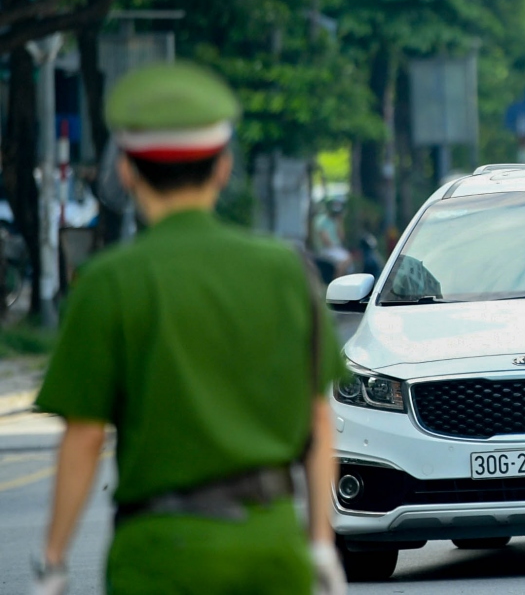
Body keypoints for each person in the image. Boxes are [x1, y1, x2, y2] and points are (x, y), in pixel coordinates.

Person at [30, 62, 347, 595]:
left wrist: (55, 560)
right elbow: (319, 417)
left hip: (159, 553)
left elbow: (84, 437)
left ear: (127, 172)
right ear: (222, 168)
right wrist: (318, 540)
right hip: (270, 547)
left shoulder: (108, 282)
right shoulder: (286, 270)